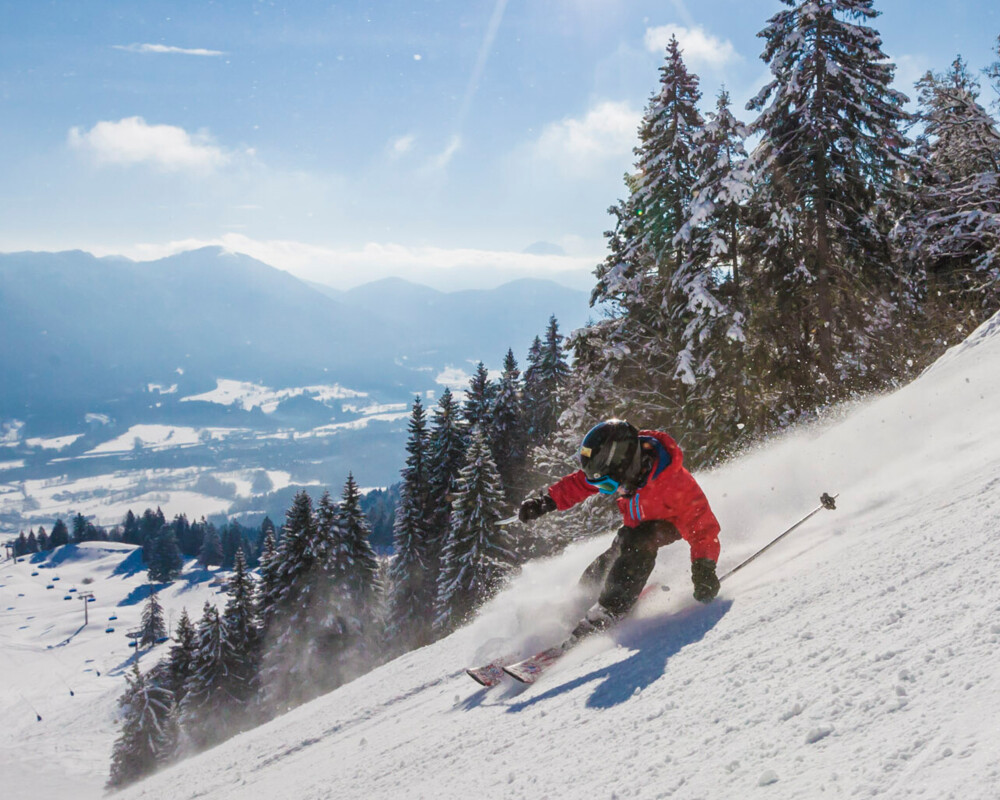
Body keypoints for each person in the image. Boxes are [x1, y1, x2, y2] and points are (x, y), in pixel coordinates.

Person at [518, 419, 721, 639]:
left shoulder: (675, 484)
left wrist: (704, 569)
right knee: (613, 555)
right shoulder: (626, 470)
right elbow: (580, 483)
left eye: (608, 486)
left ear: (627, 465)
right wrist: (546, 502)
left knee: (639, 542)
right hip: (634, 527)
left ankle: (609, 611)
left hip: (666, 525)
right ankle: (578, 603)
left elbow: (703, 529)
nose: (610, 491)